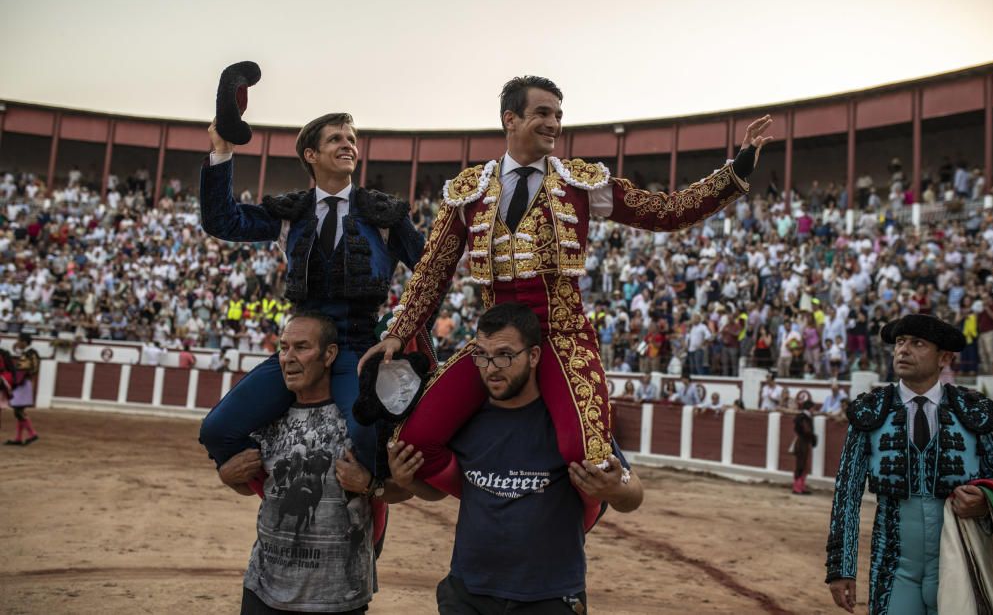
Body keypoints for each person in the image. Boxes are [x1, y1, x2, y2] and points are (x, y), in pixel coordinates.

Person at [361, 76, 772, 525]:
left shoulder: (581, 182)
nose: (554, 123)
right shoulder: (468, 191)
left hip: (563, 337)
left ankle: (577, 519)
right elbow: (434, 269)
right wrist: (399, 333)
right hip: (494, 344)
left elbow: (667, 211)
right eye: (543, 113)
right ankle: (491, 498)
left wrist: (735, 172)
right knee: (415, 443)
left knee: (587, 458)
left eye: (558, 114)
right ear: (510, 119)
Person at [197, 113, 427, 479]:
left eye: (351, 139)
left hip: (357, 344)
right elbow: (222, 221)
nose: (347, 145)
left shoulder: (384, 214)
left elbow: (432, 270)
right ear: (311, 155)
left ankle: (369, 492)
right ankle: (281, 479)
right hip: (301, 345)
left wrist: (401, 328)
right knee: (218, 430)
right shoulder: (292, 213)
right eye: (336, 139)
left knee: (370, 435)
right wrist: (222, 151)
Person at [386, 302, 643, 613]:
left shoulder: (568, 421)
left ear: (533, 356)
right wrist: (408, 482)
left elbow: (633, 496)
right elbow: (440, 492)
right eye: (482, 355)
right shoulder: (464, 421)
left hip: (548, 597)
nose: (491, 367)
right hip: (469, 592)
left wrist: (617, 489)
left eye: (505, 355)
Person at [216, 312, 411, 614]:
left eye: (301, 347)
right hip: (264, 586)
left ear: (329, 354)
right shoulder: (265, 419)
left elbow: (405, 488)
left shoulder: (361, 420)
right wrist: (228, 477)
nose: (288, 358)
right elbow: (264, 488)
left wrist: (370, 486)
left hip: (337, 596)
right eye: (283, 348)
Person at [825, 314, 993, 614]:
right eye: (900, 343)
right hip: (893, 568)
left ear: (943, 357)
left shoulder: (974, 412)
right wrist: (842, 569)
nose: (903, 350)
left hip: (960, 561)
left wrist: (988, 500)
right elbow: (847, 494)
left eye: (917, 343)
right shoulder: (871, 411)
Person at [4, 334, 40, 446]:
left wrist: (21, 378)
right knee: (18, 411)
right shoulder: (28, 353)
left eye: (19, 341)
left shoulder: (31, 353)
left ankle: (32, 434)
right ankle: (18, 438)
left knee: (18, 410)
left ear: (24, 342)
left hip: (23, 383)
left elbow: (33, 368)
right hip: (22, 383)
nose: (17, 343)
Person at [791, 400, 816, 494]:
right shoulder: (804, 417)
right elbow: (807, 431)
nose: (814, 410)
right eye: (813, 408)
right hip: (803, 443)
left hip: (803, 442)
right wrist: (812, 437)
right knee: (801, 465)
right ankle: (797, 488)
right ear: (810, 408)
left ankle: (800, 486)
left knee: (803, 465)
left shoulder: (802, 416)